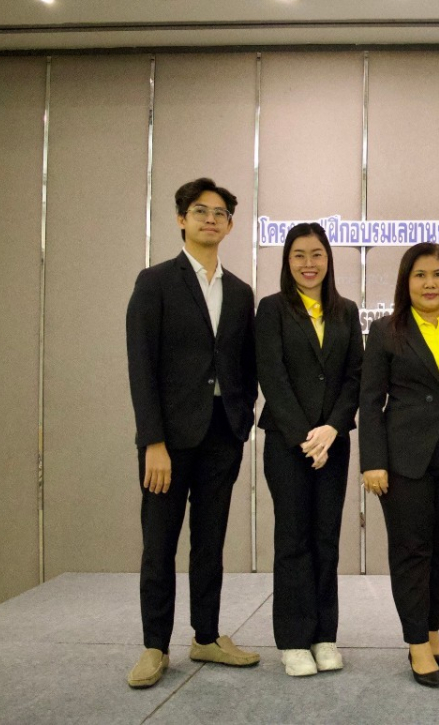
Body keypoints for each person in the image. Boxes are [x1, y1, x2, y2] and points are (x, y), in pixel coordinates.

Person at [125, 178, 259, 688]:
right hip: (168, 441)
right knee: (159, 544)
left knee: (210, 542)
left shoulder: (240, 292)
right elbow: (142, 366)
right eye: (201, 211)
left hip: (222, 435)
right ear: (182, 219)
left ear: (230, 225)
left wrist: (242, 421)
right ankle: (154, 646)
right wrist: (152, 441)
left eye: (220, 213)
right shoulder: (155, 282)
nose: (210, 219)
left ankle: (206, 636)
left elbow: (245, 363)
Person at [358, 242, 439, 688]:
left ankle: (431, 630)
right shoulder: (386, 330)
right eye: (420, 275)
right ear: (405, 282)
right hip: (403, 458)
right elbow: (370, 401)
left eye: (438, 274)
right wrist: (372, 461)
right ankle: (415, 642)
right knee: (411, 550)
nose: (430, 283)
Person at [256, 223, 363, 677]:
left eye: (316, 254)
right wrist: (306, 436)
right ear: (287, 261)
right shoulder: (272, 308)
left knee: (326, 540)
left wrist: (333, 428)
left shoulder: (346, 310)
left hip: (333, 445)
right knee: (293, 539)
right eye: (298, 255)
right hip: (288, 444)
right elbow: (272, 376)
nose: (308, 263)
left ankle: (324, 635)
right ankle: (293, 640)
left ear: (328, 259)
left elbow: (355, 377)